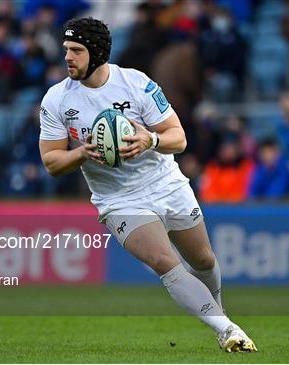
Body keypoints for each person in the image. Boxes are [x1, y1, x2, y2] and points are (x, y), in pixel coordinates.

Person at [39, 17, 257, 353]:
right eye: (66, 49)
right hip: (118, 199)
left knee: (203, 260)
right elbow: (52, 161)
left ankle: (217, 314)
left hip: (165, 182)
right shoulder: (56, 99)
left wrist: (150, 140)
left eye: (76, 50)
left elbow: (178, 137)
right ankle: (226, 328)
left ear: (96, 53)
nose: (67, 57)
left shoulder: (136, 84)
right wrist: (81, 152)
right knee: (164, 262)